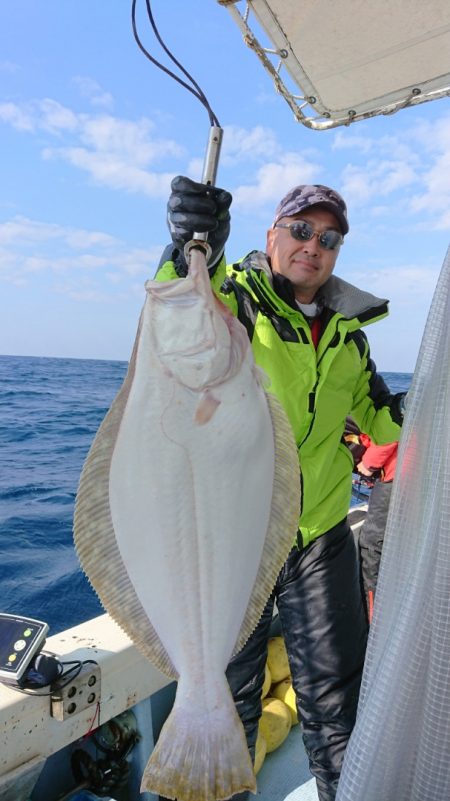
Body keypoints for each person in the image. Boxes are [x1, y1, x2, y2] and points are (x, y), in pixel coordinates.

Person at [156, 176, 406, 801]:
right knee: (228, 692)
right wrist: (192, 245)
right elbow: (179, 303)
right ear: (272, 236)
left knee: (336, 699)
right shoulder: (234, 302)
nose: (313, 246)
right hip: (234, 539)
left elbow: (382, 418)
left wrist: (422, 404)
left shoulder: (349, 336)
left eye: (329, 239)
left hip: (319, 535)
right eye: (300, 230)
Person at [356, 438, 399, 622]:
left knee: (371, 546)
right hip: (411, 471)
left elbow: (392, 428)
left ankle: (375, 623)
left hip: (396, 474)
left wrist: (369, 463)